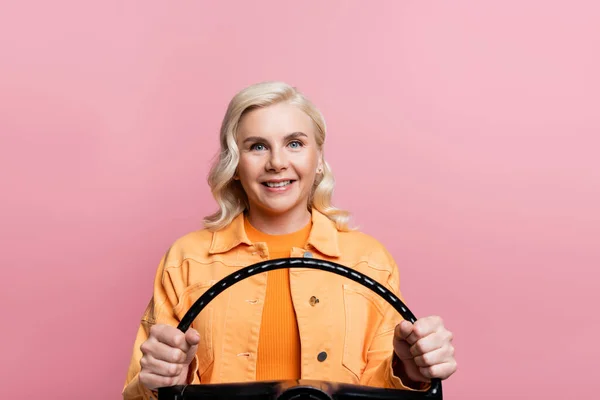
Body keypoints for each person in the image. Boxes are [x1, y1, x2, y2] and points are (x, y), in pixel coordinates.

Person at [122, 81, 457, 399]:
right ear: (235, 164)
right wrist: (165, 382)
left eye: (294, 143)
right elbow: (140, 392)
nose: (277, 163)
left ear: (318, 159)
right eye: (257, 146)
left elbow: (381, 394)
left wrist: (412, 374)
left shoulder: (369, 260)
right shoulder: (186, 260)